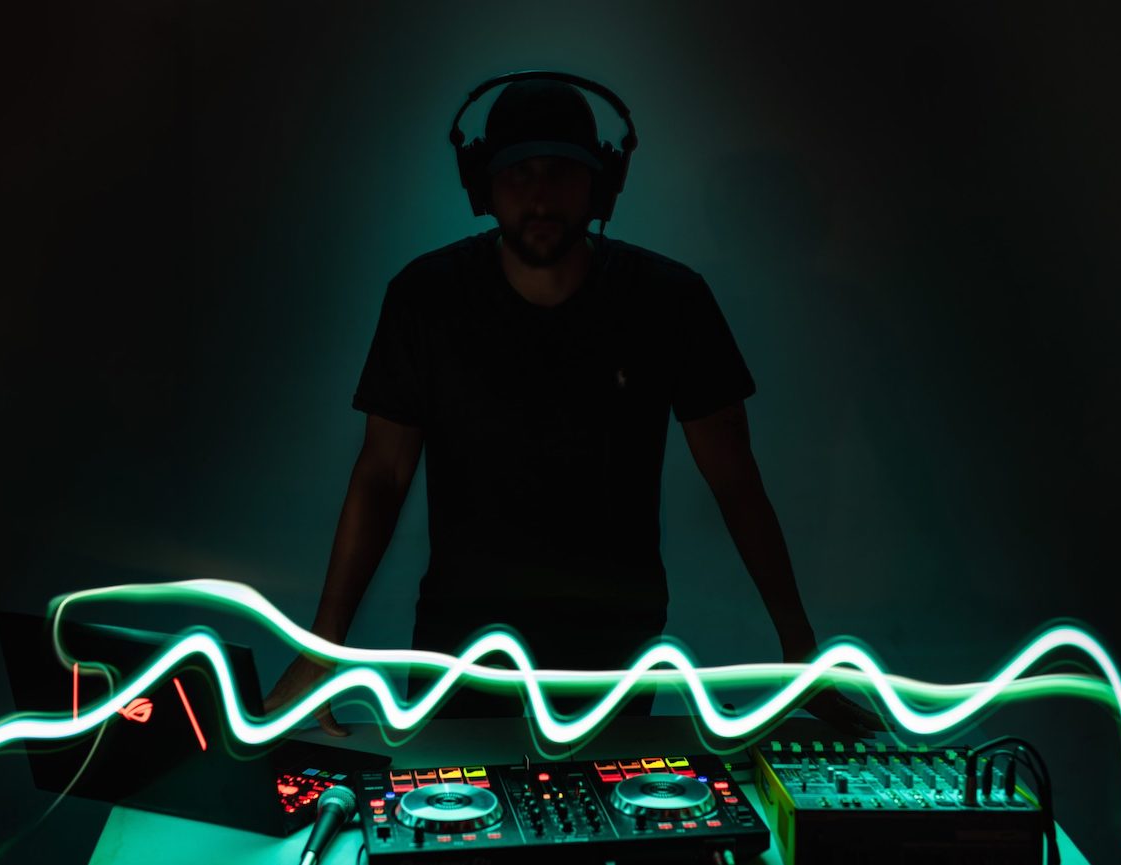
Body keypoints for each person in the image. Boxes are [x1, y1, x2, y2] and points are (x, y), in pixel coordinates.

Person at [264, 77, 886, 737]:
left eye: (561, 172)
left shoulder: (669, 300)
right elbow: (381, 474)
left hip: (614, 653)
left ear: (602, 183)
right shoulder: (426, 297)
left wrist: (801, 648)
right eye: (518, 172)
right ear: (482, 184)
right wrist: (320, 649)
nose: (539, 194)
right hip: (460, 651)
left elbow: (735, 478)